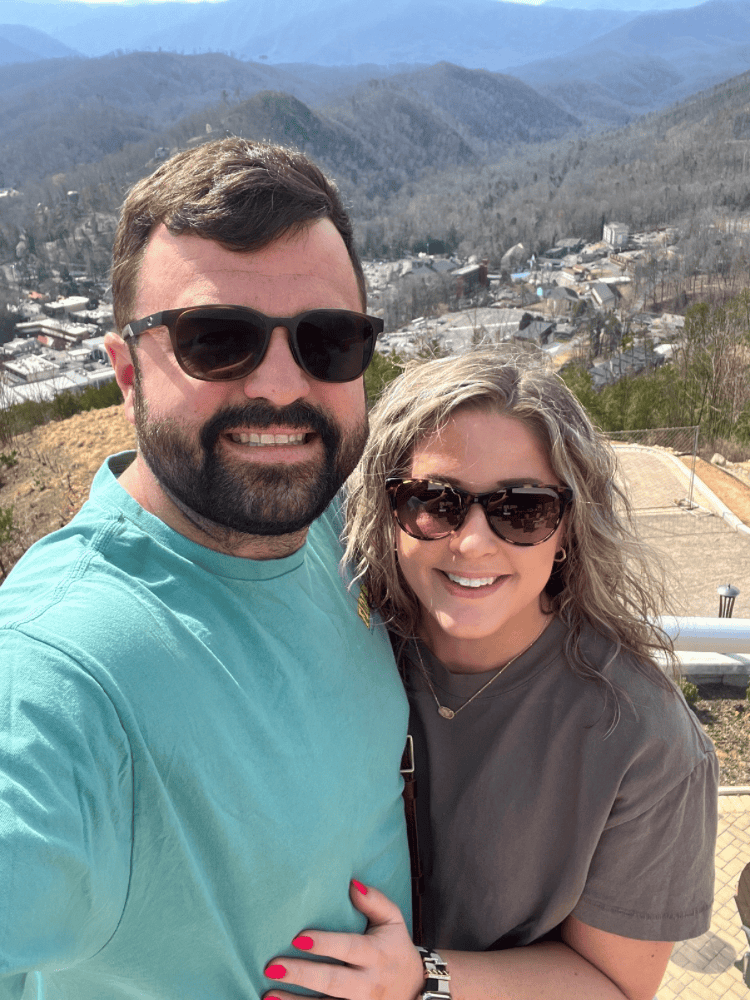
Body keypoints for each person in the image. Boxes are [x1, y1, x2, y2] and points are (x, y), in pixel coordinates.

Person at [0, 138, 413, 999]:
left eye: (326, 341)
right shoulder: (56, 674)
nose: (278, 384)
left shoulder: (340, 527)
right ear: (125, 372)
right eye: (216, 340)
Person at [263, 348, 718, 1000]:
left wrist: (423, 979)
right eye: (434, 502)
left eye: (523, 508)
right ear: (391, 513)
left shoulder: (646, 741)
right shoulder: (345, 634)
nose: (472, 542)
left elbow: (615, 986)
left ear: (569, 528)